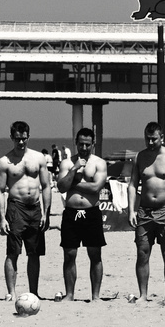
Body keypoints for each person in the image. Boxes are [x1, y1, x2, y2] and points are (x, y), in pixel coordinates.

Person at [126, 122, 165, 304]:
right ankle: (143, 295)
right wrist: (131, 210)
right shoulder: (140, 157)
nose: (150, 142)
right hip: (144, 211)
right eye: (147, 139)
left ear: (162, 138)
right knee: (142, 253)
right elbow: (133, 185)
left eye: (154, 139)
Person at [0, 121, 51, 299]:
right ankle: (11, 292)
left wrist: (46, 213)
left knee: (34, 252)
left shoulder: (38, 158)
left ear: (28, 136)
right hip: (16, 207)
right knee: (13, 251)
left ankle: (34, 291)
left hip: (35, 208)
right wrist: (2, 218)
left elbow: (46, 186)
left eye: (24, 138)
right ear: (12, 137)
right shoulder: (5, 162)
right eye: (18, 139)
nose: (21, 142)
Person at [57, 128, 108, 302]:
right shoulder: (67, 163)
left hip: (91, 212)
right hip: (71, 213)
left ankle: (95, 296)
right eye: (81, 144)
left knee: (95, 254)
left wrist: (73, 184)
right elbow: (61, 186)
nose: (84, 148)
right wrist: (74, 170)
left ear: (93, 144)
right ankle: (70, 294)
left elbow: (95, 188)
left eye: (87, 144)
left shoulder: (99, 163)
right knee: (69, 254)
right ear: (76, 143)